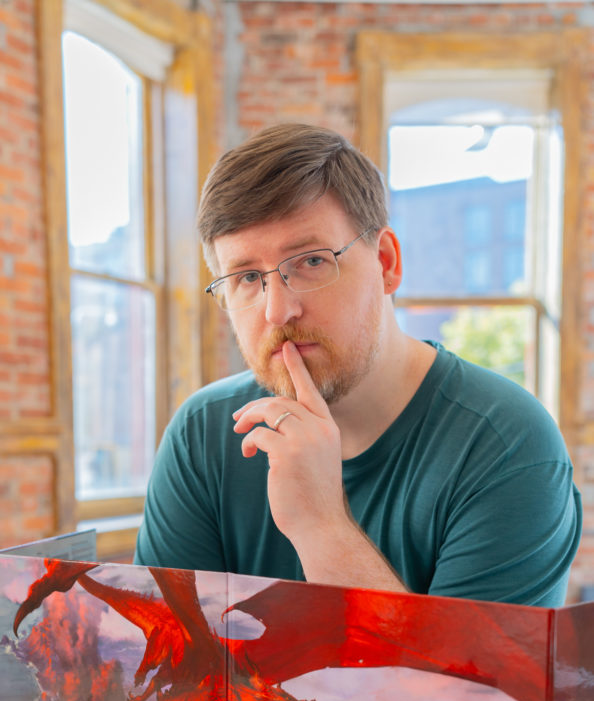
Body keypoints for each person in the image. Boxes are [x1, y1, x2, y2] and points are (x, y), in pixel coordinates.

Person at [134, 123, 581, 606]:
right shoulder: (204, 433)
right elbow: (161, 671)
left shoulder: (506, 442)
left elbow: (464, 685)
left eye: (311, 262)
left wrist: (322, 527)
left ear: (386, 263)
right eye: (245, 277)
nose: (277, 310)